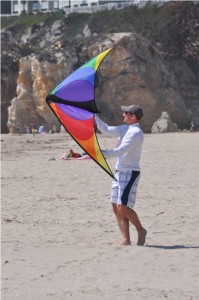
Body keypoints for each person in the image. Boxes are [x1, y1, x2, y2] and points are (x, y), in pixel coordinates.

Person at [95, 104, 147, 246]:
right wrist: (93, 116)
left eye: (126, 113)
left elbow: (121, 150)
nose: (123, 115)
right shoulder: (125, 129)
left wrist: (100, 153)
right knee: (114, 205)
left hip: (130, 173)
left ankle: (141, 230)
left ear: (132, 116)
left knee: (123, 207)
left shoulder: (136, 132)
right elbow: (105, 129)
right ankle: (126, 239)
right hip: (119, 172)